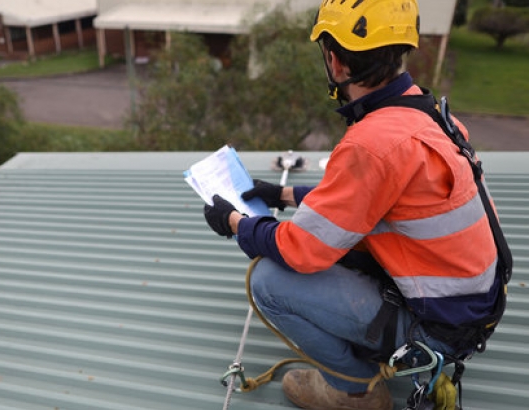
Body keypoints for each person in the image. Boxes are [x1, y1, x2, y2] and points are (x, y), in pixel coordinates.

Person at [202, 1, 503, 409]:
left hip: (435, 332)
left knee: (267, 282)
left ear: (335, 61)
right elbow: (368, 201)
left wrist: (235, 222)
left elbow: (299, 250)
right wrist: (283, 195)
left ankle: (355, 390)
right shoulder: (429, 113)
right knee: (341, 250)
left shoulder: (372, 143)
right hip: (471, 314)